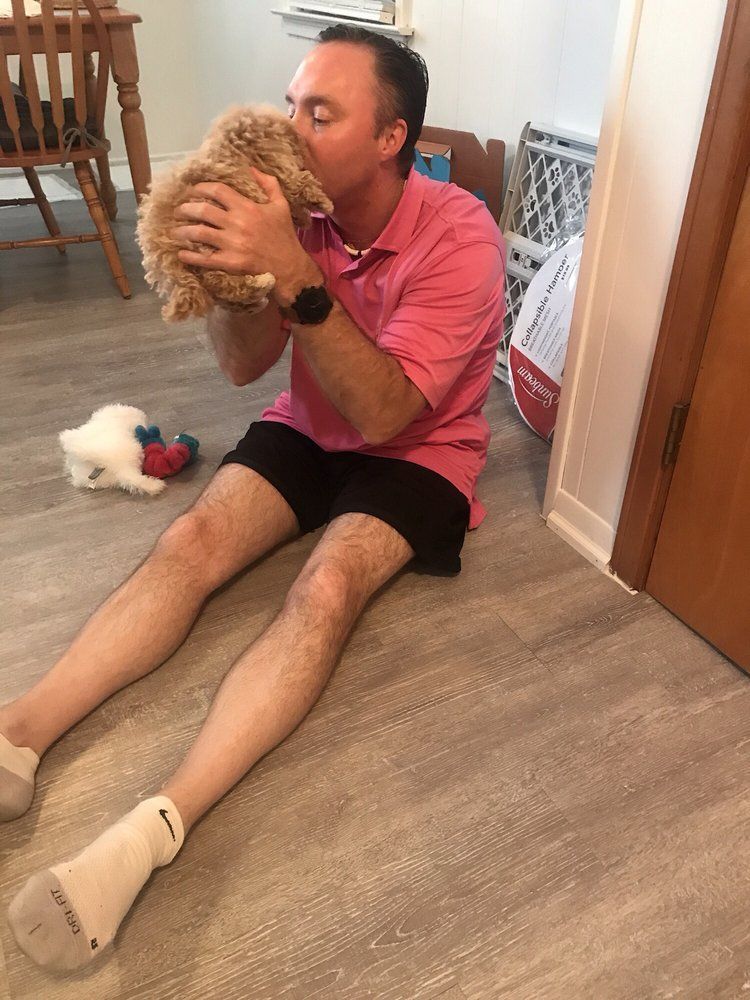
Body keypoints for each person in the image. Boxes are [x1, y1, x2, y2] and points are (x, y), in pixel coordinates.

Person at [1, 24, 505, 972]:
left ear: (390, 138)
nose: (289, 128)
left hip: (420, 448)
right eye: (289, 104)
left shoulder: (462, 234)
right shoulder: (293, 213)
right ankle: (17, 733)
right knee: (191, 542)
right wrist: (242, 277)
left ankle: (151, 831)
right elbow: (241, 372)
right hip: (310, 421)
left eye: (322, 113)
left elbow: (393, 412)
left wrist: (301, 277)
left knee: (322, 594)